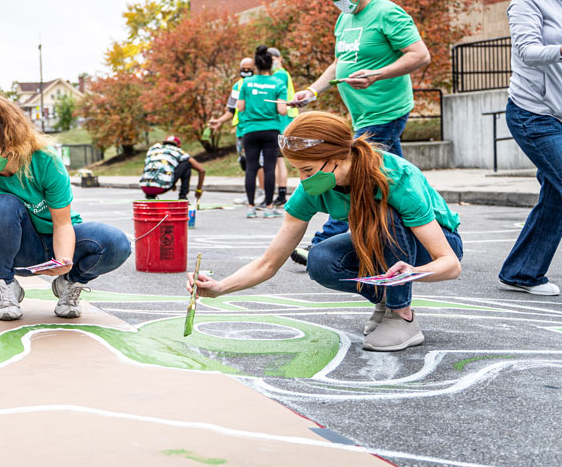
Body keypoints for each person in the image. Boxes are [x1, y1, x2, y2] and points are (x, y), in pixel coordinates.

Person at [188, 112, 463, 352]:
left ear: (337, 158)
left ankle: (401, 315)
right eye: (297, 170)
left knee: (385, 214)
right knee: (320, 259)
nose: (303, 180)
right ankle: (386, 299)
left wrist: (412, 273)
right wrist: (220, 288)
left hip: (431, 248)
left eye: (307, 169)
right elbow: (269, 262)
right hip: (381, 245)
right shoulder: (312, 189)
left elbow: (450, 265)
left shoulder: (395, 177)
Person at [0, 95, 131, 321]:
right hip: (21, 251)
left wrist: (64, 263)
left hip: (59, 241)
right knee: (3, 204)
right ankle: (6, 285)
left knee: (117, 243)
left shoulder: (45, 161)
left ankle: (69, 285)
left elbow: (62, 223)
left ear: (9, 145)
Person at [288, 0, 431, 260]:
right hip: (362, 113)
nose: (334, 1)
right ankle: (430, 232)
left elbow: (420, 55)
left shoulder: (388, 13)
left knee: (348, 171)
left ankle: (323, 242)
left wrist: (378, 74)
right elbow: (340, 62)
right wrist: (312, 91)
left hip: (386, 110)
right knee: (396, 179)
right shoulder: (345, 19)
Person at [497, 0, 562, 297]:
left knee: (557, 193)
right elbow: (527, 52)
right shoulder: (528, 0)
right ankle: (523, 272)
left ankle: (522, 273)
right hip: (533, 114)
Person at [236, 46, 288, 217]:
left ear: (256, 66)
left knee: (251, 167)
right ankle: (269, 207)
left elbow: (240, 107)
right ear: (270, 66)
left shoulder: (246, 83)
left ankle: (251, 207)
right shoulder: (278, 83)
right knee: (269, 167)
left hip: (250, 130)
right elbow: (282, 111)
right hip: (271, 130)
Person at [209, 57, 265, 199]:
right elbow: (231, 110)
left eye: (249, 69)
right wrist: (219, 121)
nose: (246, 71)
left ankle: (263, 192)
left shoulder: (261, 83)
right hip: (241, 130)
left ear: (255, 69)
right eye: (243, 69)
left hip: (256, 128)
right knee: (246, 162)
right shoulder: (237, 86)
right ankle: (250, 194)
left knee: (258, 163)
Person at [269, 47, 297, 205]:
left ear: (279, 59)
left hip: (282, 121)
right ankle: (280, 193)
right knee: (279, 159)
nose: (272, 63)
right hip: (286, 119)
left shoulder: (278, 74)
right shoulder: (283, 73)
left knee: (278, 160)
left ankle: (280, 194)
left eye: (274, 60)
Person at [139, 135, 205, 201]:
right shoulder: (179, 151)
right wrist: (198, 190)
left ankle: (150, 196)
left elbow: (147, 168)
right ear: (179, 146)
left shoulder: (153, 149)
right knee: (187, 163)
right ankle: (183, 197)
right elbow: (201, 170)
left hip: (144, 187)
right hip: (161, 188)